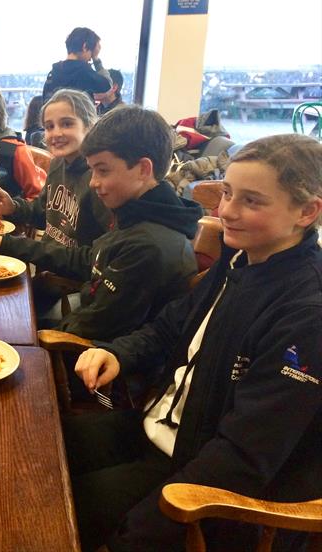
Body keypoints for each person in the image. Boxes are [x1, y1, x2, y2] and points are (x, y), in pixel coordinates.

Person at [66, 133, 322, 552]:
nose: (226, 212)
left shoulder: (306, 312)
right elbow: (171, 325)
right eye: (226, 193)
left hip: (204, 480)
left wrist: (148, 525)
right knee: (43, 455)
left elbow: (245, 456)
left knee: (64, 503)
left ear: (307, 212)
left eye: (251, 201)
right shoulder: (240, 257)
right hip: (161, 429)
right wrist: (117, 351)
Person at [0, 105, 202, 340]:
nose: (93, 182)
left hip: (93, 356)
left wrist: (28, 339)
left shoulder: (148, 246)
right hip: (82, 314)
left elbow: (95, 326)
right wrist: (8, 244)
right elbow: (89, 260)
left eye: (102, 171)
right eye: (92, 171)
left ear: (143, 169)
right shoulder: (134, 213)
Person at [0, 89, 112, 319]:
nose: (56, 133)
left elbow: (94, 260)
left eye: (67, 124)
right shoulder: (58, 164)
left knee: (1, 316)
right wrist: (14, 207)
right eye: (49, 126)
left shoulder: (99, 181)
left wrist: (12, 245)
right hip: (45, 277)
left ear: (90, 126)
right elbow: (43, 213)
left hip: (71, 289)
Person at [42, 27, 112, 103]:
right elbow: (107, 86)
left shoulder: (54, 72)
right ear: (84, 47)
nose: (90, 59)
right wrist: (96, 59)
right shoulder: (84, 71)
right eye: (91, 53)